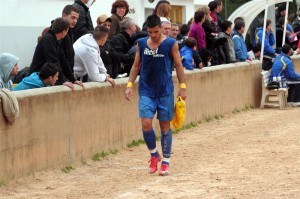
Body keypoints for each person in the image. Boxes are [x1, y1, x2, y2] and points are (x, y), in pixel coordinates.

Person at [124, 15, 187, 176]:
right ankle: (154, 155)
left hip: (165, 91)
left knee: (165, 127)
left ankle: (166, 162)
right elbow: (136, 66)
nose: (153, 35)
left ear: (161, 28)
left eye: (156, 31)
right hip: (146, 91)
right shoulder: (142, 43)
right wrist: (129, 85)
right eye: (150, 32)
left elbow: (179, 66)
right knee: (146, 124)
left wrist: (183, 87)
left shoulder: (171, 44)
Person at [28, 17, 75, 91]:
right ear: (63, 31)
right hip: (36, 80)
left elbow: (64, 62)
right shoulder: (48, 40)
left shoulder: (55, 41)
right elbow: (53, 61)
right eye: (67, 31)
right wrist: (63, 81)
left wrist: (73, 80)